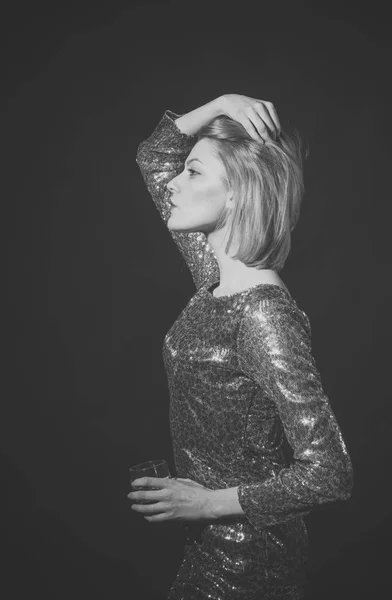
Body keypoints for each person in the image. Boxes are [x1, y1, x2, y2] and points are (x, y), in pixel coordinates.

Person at [128, 94, 354, 599]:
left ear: (236, 195)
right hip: (206, 552)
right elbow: (153, 156)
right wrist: (221, 104)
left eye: (194, 173)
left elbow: (330, 473)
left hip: (249, 569)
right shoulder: (215, 279)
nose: (173, 183)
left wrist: (206, 504)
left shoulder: (262, 312)